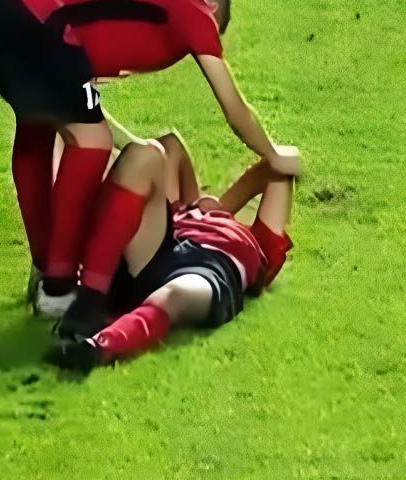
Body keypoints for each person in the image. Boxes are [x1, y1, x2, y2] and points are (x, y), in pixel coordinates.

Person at [0, 0, 299, 315]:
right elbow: (234, 110)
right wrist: (272, 155)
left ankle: (45, 271)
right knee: (91, 141)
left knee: (39, 125)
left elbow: (78, 99)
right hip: (33, 7)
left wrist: (134, 146)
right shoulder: (193, 6)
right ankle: (59, 286)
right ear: (211, 7)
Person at [47, 132, 298, 371]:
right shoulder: (182, 210)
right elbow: (172, 144)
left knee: (175, 295)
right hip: (162, 249)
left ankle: (95, 349)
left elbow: (284, 161)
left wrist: (223, 206)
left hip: (213, 269)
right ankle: (91, 296)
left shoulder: (257, 243)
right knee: (142, 156)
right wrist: (207, 207)